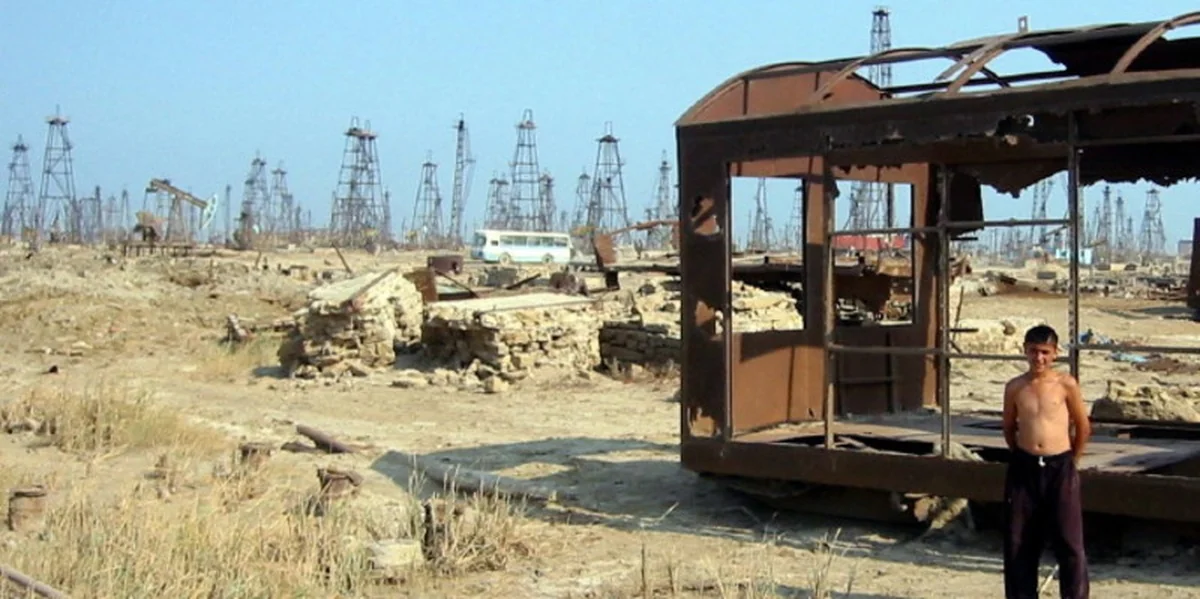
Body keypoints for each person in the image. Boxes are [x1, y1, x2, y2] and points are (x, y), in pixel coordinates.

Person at [1001, 324, 1091, 599]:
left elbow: (1082, 425)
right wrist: (1022, 454)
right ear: (1024, 351)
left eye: (1044, 352)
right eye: (1033, 351)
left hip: (1059, 466)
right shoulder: (1015, 387)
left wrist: (1072, 458)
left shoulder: (1065, 384)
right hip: (1025, 466)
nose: (1038, 358)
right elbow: (1008, 427)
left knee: (1069, 540)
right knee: (1019, 540)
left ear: (1054, 353)